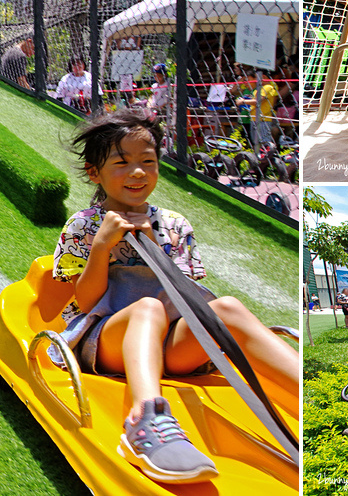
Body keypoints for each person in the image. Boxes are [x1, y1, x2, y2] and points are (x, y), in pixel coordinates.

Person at [52, 108, 297, 484]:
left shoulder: (174, 224)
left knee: (227, 307)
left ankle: (304, 393)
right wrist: (102, 246)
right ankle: (147, 423)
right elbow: (84, 303)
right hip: (106, 338)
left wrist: (153, 246)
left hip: (171, 342)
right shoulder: (83, 224)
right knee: (146, 308)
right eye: (122, 162)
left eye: (147, 162)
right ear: (94, 172)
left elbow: (189, 297)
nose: (137, 172)